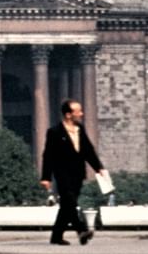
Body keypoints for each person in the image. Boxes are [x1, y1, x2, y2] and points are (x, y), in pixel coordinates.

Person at [40, 99, 104, 246]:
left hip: (78, 174)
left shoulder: (80, 129)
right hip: (62, 174)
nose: (81, 114)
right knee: (70, 201)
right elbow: (48, 155)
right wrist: (46, 177)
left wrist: (98, 168)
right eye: (78, 111)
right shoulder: (54, 132)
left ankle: (56, 236)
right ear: (68, 114)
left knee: (67, 206)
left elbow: (88, 150)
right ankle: (81, 230)